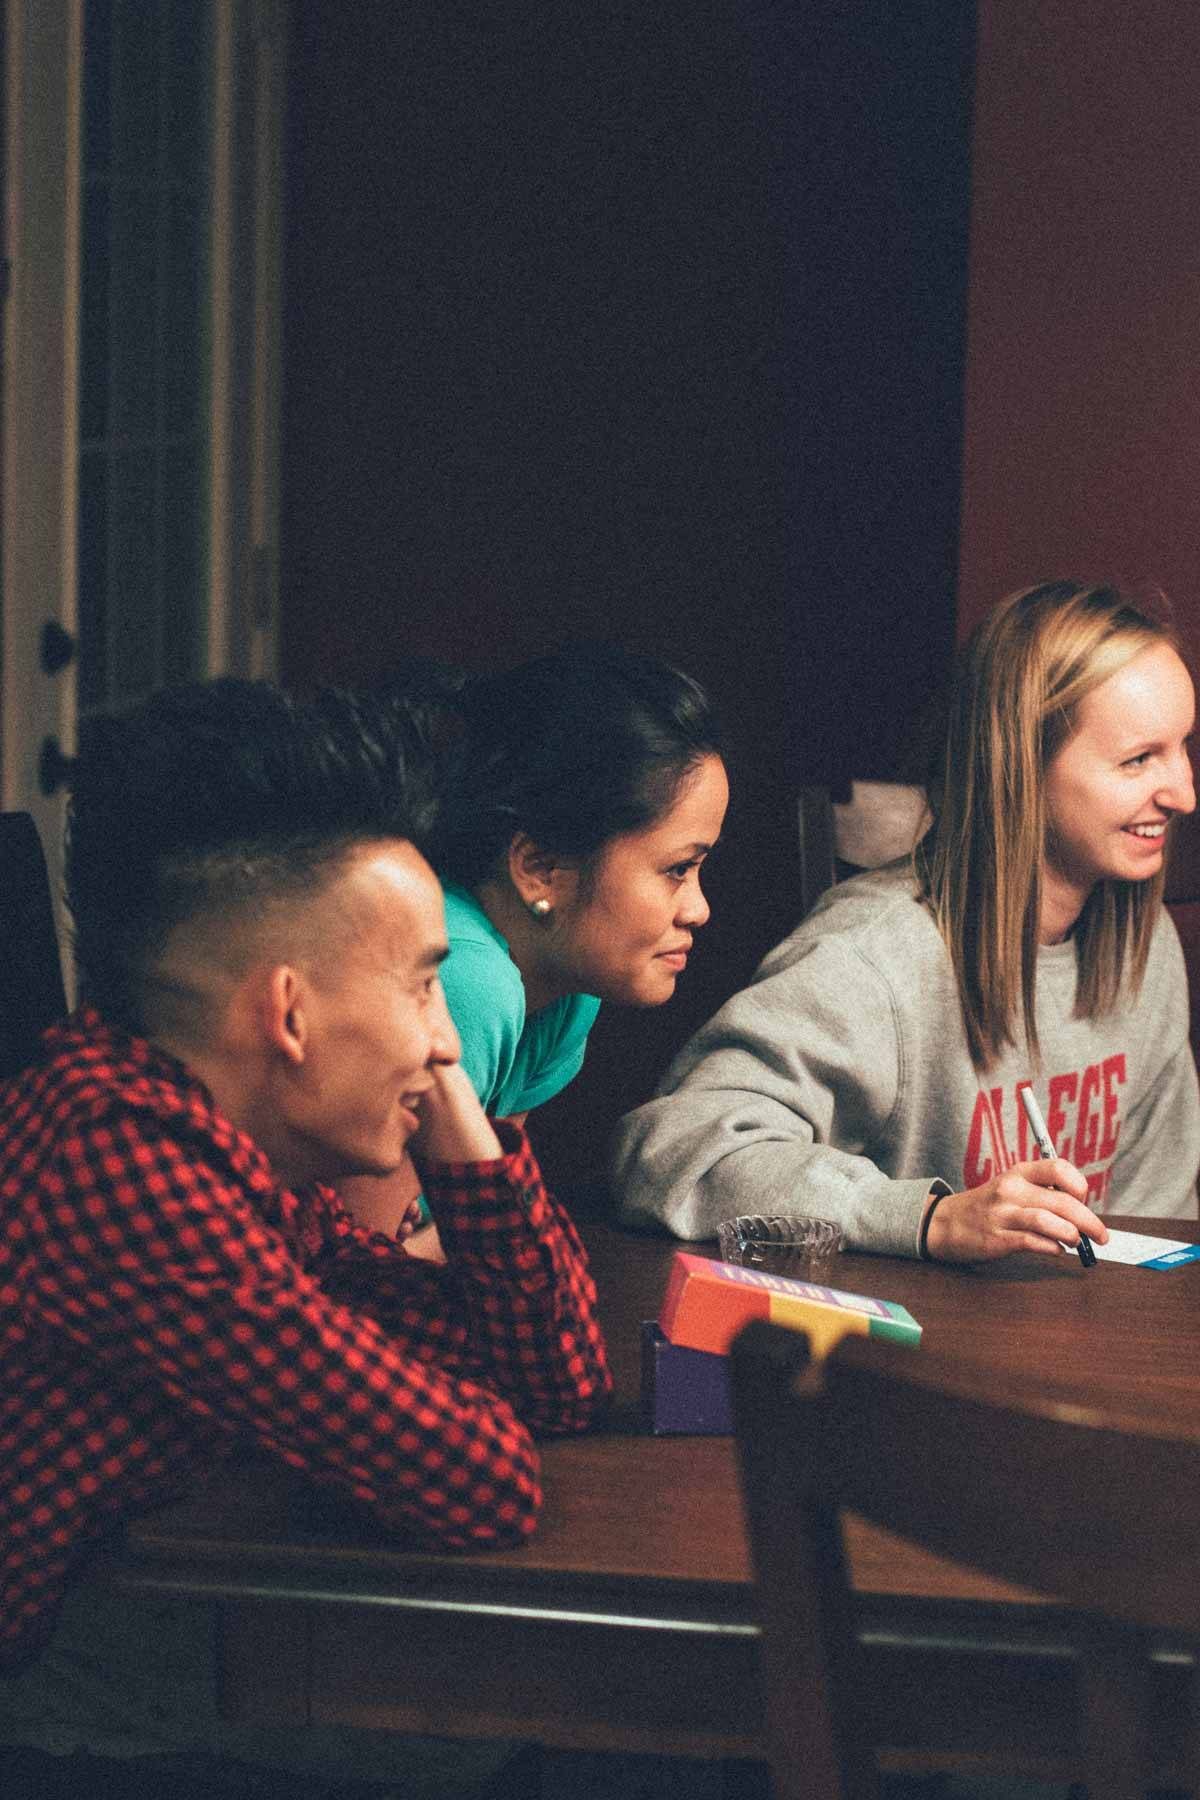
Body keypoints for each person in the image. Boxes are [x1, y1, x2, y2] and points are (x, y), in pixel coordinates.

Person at [0, 679, 610, 1789]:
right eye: (427, 984)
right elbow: (481, 1479)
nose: (444, 1036)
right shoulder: (119, 1161)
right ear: (287, 1016)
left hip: (141, 1608)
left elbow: (558, 1384)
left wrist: (456, 1121)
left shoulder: (232, 1155)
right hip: (44, 1696)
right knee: (547, 1744)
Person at [613, 581, 1200, 1262]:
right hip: (899, 1353)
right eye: (1138, 760)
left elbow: (1159, 1229)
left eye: (1184, 746)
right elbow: (671, 1153)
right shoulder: (875, 957)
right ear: (1020, 764)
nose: (1184, 792)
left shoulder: (1145, 943)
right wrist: (929, 1218)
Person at [344, 646, 729, 1240]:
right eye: (677, 869)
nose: (699, 910)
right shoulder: (467, 980)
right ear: (541, 869)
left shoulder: (568, 993)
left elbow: (486, 1225)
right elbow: (369, 1259)